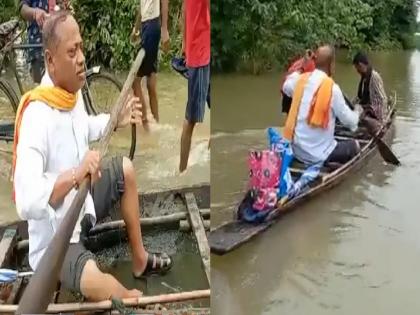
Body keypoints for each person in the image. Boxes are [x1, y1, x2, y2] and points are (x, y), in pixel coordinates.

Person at [13, 11, 172, 301]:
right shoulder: (37, 114)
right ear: (50, 60)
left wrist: (115, 119)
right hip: (57, 241)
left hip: (82, 204)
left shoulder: (69, 94)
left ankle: (139, 259)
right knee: (113, 289)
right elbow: (26, 200)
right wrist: (76, 174)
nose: (81, 58)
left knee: (125, 169)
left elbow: (84, 127)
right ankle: (140, 303)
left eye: (81, 48)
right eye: (72, 52)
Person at [282, 45, 363, 165]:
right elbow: (350, 123)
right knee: (354, 145)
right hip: (318, 156)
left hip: (296, 151)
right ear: (332, 65)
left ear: (314, 62)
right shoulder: (333, 89)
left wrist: (303, 65)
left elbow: (286, 86)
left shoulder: (300, 80)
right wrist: (357, 112)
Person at [179, 0, 210, 172]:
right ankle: (181, 173)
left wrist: (185, 41)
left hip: (200, 51)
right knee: (191, 118)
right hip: (200, 55)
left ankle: (207, 154)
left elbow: (184, 9)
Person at [130, 0, 170, 130]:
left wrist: (164, 29)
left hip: (152, 26)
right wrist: (136, 29)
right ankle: (157, 124)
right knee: (150, 82)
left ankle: (146, 123)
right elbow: (142, 7)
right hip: (147, 27)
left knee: (135, 81)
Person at [19, 0, 71, 83]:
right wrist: (35, 12)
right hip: (38, 46)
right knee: (42, 88)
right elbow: (23, 9)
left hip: (58, 42)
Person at [352, 52, 387, 123]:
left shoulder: (374, 77)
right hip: (368, 106)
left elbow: (383, 99)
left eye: (356, 67)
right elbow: (361, 96)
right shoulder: (364, 76)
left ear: (360, 65)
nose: (357, 70)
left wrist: (381, 118)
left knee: (356, 112)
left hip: (375, 109)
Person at [280, 49, 316, 114]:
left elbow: (286, 77)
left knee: (290, 114)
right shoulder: (313, 65)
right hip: (294, 88)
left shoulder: (297, 63)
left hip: (286, 88)